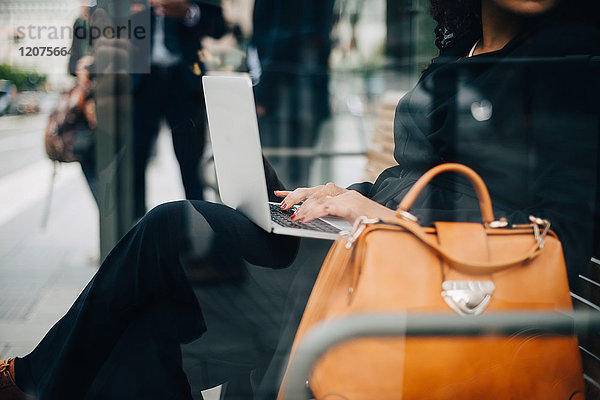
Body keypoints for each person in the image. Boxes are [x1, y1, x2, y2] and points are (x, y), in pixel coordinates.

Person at [1, 0, 599, 399]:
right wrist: (344, 197)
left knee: (170, 230)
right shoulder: (461, 49)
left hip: (427, 297)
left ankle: (28, 382)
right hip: (363, 255)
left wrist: (388, 220)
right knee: (152, 326)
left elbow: (558, 243)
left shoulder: (570, 57)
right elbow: (413, 174)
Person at [132, 0, 226, 219]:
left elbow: (219, 26)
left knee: (191, 165)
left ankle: (198, 238)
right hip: (141, 84)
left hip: (183, 84)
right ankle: (138, 237)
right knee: (135, 165)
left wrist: (188, 12)